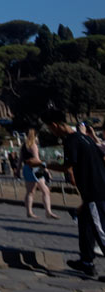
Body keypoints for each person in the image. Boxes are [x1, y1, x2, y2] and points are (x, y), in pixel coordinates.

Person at [43, 108, 105, 278]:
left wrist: (44, 164)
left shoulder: (71, 141)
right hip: (97, 187)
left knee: (100, 231)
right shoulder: (84, 137)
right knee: (85, 223)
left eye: (50, 128)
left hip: (95, 192)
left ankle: (88, 261)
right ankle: (86, 261)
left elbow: (67, 167)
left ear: (55, 125)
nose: (51, 131)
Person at [18, 130, 57, 218]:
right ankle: (48, 211)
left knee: (30, 191)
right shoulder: (33, 146)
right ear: (35, 136)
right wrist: (46, 169)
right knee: (45, 191)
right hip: (35, 168)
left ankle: (29, 211)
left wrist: (17, 171)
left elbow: (20, 160)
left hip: (26, 168)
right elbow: (37, 160)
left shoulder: (24, 146)